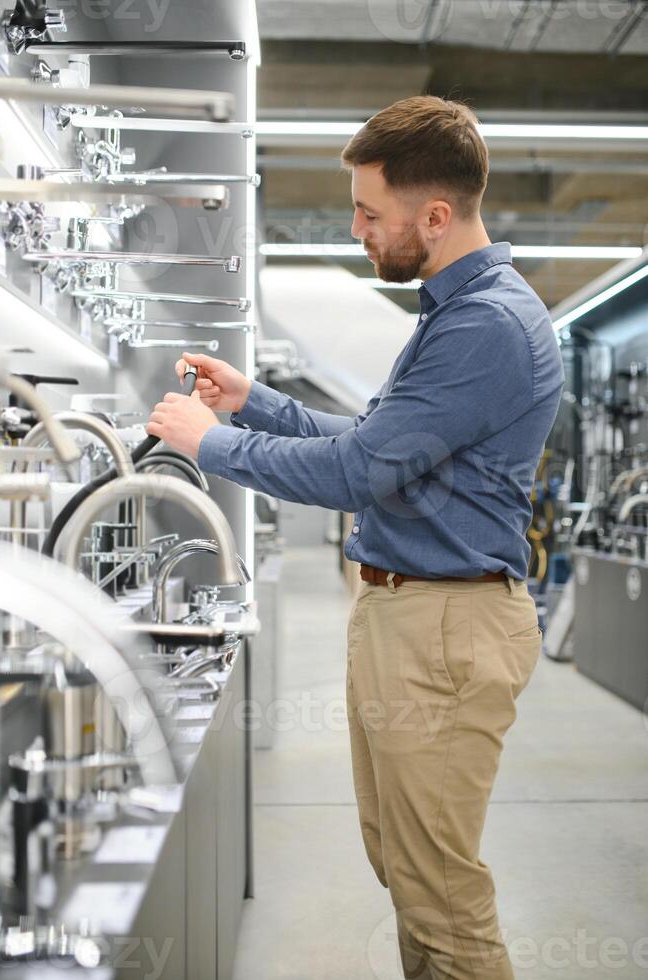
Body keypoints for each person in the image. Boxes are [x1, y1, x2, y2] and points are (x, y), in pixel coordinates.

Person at [148, 95, 565, 979]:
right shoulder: (456, 311)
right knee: (407, 871)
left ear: (436, 216)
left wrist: (207, 442)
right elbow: (371, 445)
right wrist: (249, 401)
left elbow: (350, 475)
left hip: (442, 633)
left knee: (441, 896)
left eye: (372, 214)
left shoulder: (488, 325)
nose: (357, 229)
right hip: (411, 623)